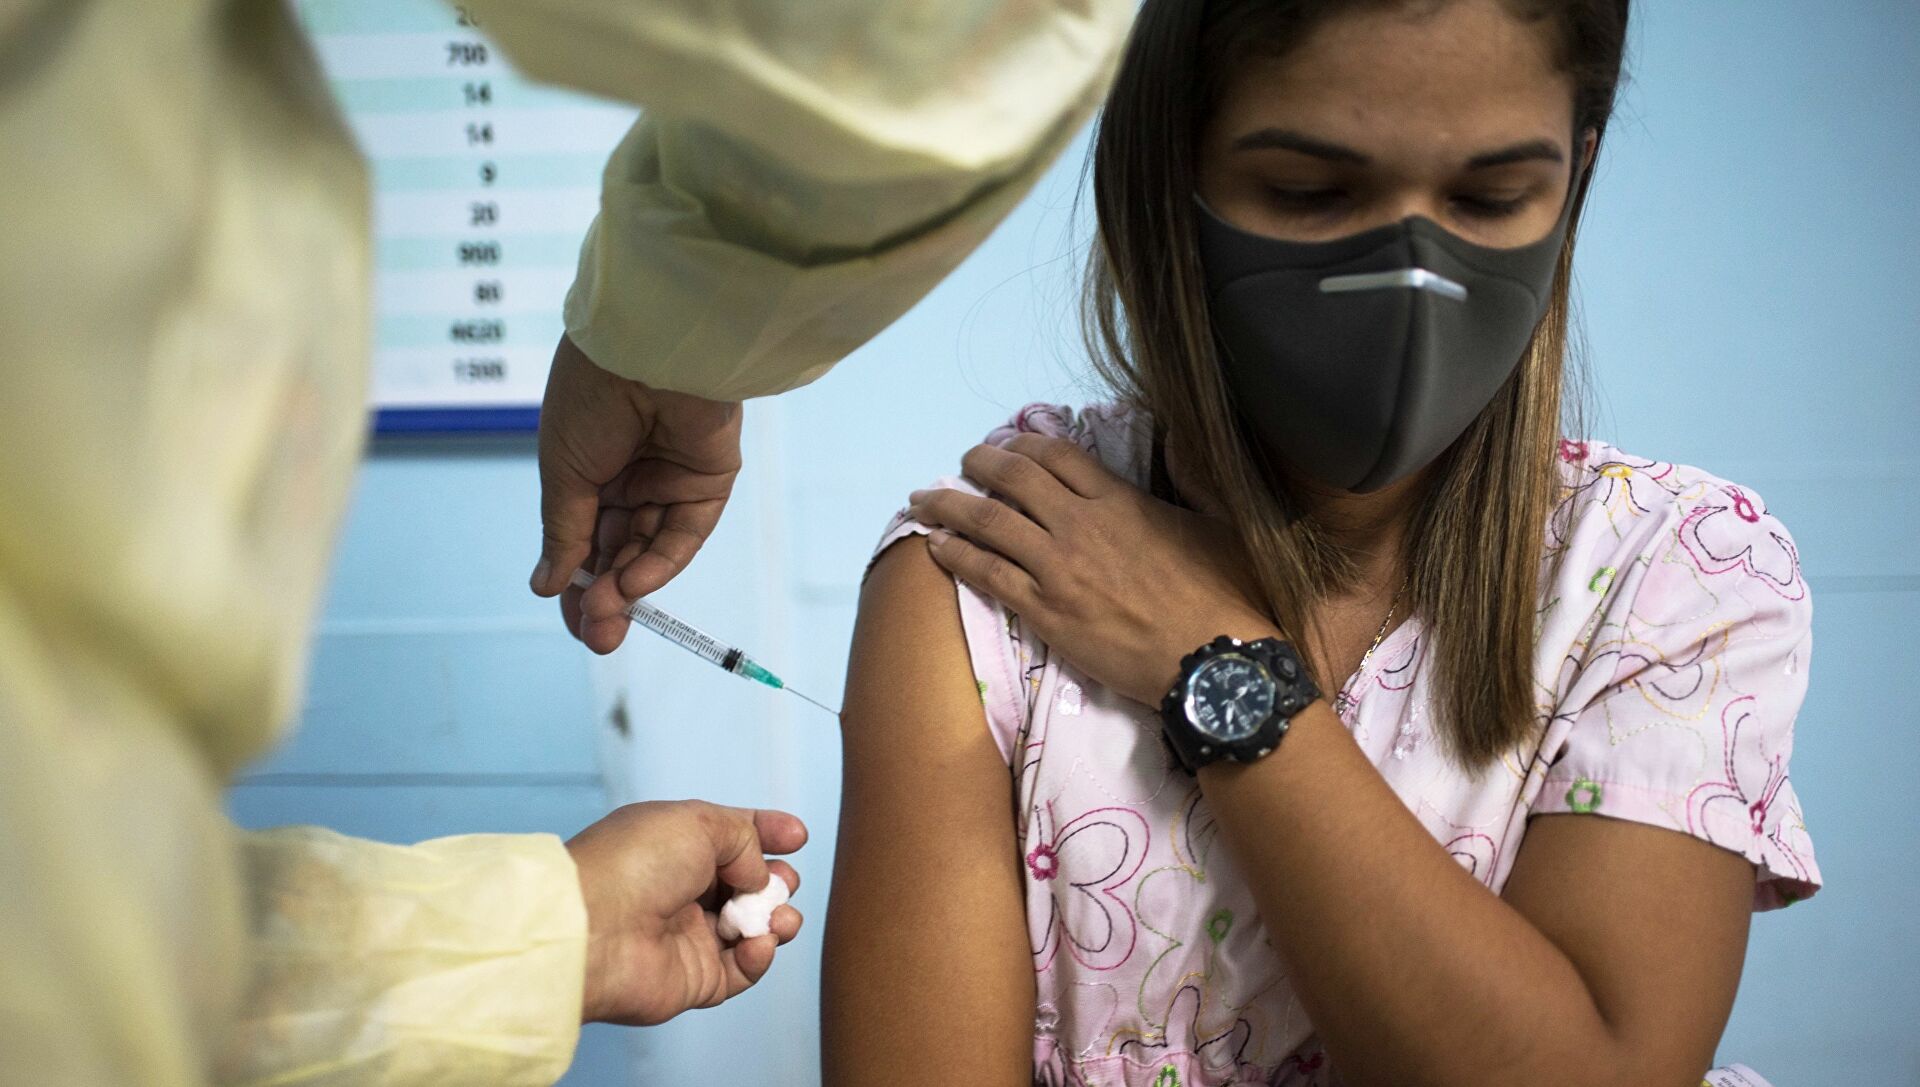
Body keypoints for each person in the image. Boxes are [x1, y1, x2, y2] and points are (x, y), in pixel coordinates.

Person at [0, 1, 1136, 1084]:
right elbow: (935, 39)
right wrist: (662, 335)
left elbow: (78, 941)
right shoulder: (958, 595)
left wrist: (560, 932)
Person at [823, 2, 1819, 1086]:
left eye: (1490, 197)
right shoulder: (992, 579)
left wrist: (1219, 667)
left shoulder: (1676, 573)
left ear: (1574, 178)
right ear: (1169, 174)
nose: (1412, 277)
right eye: (1308, 191)